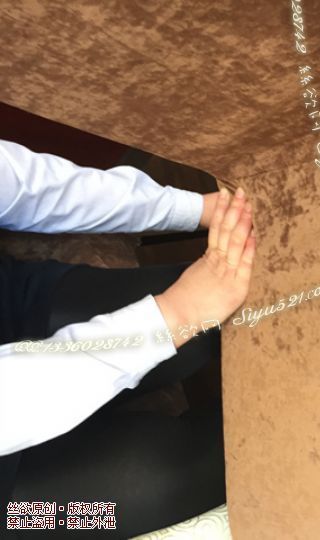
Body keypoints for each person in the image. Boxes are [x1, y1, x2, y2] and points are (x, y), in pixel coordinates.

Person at [0, 138, 256, 538]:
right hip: (13, 512)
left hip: (14, 306)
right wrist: (176, 314)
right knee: (164, 478)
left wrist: (194, 210)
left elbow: (31, 187)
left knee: (225, 312)